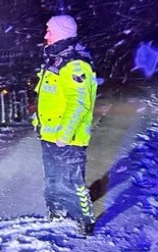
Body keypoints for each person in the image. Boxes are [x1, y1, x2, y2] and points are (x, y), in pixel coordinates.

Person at [33, 14, 97, 235]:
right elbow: (47, 98)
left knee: (72, 180)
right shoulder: (55, 61)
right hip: (50, 135)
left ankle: (85, 220)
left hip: (68, 138)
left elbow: (80, 104)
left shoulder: (75, 64)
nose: (45, 35)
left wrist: (65, 133)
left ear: (60, 33)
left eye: (49, 31)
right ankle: (57, 211)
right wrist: (38, 123)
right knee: (52, 178)